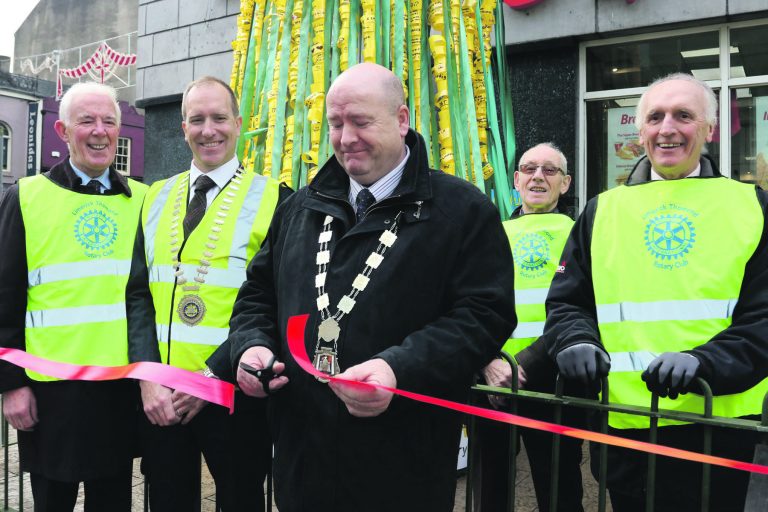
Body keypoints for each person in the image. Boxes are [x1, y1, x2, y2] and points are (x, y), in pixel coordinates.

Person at [225, 62, 515, 511]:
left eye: (361, 122)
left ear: (401, 120)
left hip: (403, 468)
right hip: (304, 465)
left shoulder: (462, 211)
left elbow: (485, 316)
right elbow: (259, 293)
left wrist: (397, 369)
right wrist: (251, 346)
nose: (345, 138)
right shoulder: (301, 207)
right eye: (336, 124)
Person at [545, 73, 768, 512]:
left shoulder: (751, 205)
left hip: (717, 425)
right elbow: (568, 300)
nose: (667, 128)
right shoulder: (602, 210)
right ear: (641, 130)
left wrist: (704, 362)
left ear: (710, 129)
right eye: (655, 117)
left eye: (684, 116)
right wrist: (575, 338)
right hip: (625, 425)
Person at [126, 76, 289, 511]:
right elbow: (138, 296)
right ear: (183, 128)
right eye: (196, 119)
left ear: (238, 124)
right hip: (163, 396)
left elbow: (275, 301)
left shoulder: (276, 199)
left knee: (240, 499)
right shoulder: (156, 197)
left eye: (219, 118)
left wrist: (211, 378)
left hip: (233, 391)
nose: (208, 130)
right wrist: (146, 377)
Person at [0, 82, 146, 511]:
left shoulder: (143, 199)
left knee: (114, 500)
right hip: (50, 391)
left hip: (118, 389)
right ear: (63, 131)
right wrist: (11, 385)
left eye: (108, 121)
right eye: (86, 121)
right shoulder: (25, 196)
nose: (99, 131)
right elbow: (5, 295)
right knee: (52, 501)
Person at [473, 143, 584, 511]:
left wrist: (523, 366)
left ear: (565, 183)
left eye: (550, 170)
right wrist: (488, 362)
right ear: (516, 180)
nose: (539, 176)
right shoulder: (487, 233)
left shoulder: (580, 234)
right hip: (490, 376)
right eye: (529, 169)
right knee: (490, 486)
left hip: (551, 379)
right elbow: (466, 303)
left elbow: (583, 307)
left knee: (559, 489)